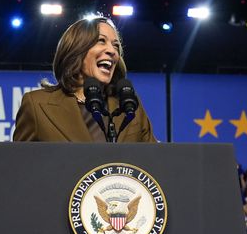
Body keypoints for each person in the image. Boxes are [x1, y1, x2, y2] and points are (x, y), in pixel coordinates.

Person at [13, 16, 156, 143]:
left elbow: (155, 165)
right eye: (101, 41)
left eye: (116, 46)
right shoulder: (37, 105)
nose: (112, 51)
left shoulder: (129, 106)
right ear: (76, 49)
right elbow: (18, 167)